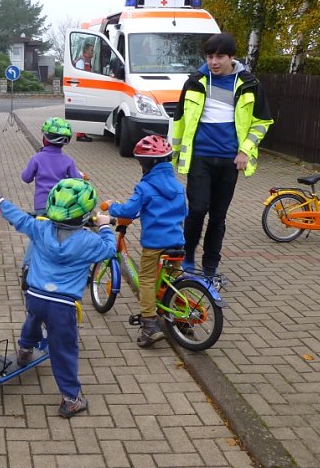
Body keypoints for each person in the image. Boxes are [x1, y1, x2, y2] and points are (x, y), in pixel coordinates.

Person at [0, 179, 116, 418]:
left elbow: (20, 219)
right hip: (62, 306)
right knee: (64, 350)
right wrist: (105, 226)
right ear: (84, 217)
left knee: (33, 320)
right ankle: (71, 399)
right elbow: (109, 249)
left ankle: (24, 350)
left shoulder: (40, 228)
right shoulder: (89, 241)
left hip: (34, 295)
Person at [172, 32, 273, 278]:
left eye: (219, 56)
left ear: (232, 57)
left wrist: (244, 151)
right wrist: (172, 153)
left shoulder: (249, 84)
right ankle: (186, 257)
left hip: (230, 161)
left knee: (218, 215)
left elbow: (262, 122)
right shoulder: (195, 81)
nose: (214, 62)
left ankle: (210, 266)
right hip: (200, 158)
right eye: (209, 56)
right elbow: (180, 120)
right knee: (196, 210)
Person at [106, 135, 187, 347]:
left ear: (148, 164)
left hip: (154, 245)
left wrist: (112, 206)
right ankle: (182, 319)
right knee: (173, 280)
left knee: (147, 281)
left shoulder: (145, 187)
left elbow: (129, 210)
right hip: (177, 243)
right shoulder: (178, 187)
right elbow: (183, 211)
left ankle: (149, 326)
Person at [20, 118, 83, 285]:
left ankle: (27, 267)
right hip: (62, 207)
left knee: (38, 236)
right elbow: (77, 181)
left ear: (45, 138)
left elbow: (26, 178)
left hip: (42, 206)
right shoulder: (68, 161)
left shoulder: (37, 158)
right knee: (62, 234)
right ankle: (65, 267)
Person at [73, 43, 95, 142]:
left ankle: (82, 133)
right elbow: (80, 76)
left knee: (84, 113)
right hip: (82, 91)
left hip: (85, 91)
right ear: (86, 51)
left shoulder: (86, 61)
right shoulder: (81, 61)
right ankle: (80, 134)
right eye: (91, 50)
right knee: (82, 113)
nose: (93, 52)